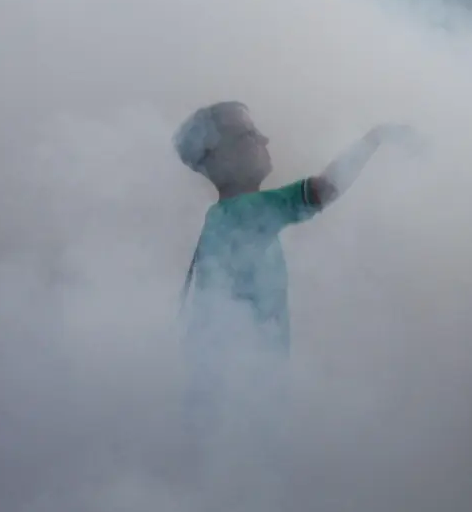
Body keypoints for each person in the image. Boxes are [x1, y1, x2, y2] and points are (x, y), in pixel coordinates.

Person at [173, 101, 408, 434]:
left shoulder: (224, 218)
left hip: (229, 406)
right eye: (249, 134)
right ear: (219, 156)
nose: (264, 139)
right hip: (243, 411)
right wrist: (375, 138)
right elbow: (322, 190)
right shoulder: (244, 213)